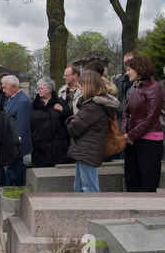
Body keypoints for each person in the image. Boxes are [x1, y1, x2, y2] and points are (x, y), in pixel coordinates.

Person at [66, 71, 120, 192]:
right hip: (86, 149)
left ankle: (93, 210)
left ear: (89, 87)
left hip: (87, 150)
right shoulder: (92, 105)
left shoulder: (93, 107)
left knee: (89, 188)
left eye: (82, 85)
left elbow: (73, 127)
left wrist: (71, 121)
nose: (79, 88)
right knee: (80, 187)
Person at [121, 55, 164, 192]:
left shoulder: (154, 88)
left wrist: (132, 135)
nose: (126, 73)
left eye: (129, 70)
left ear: (139, 69)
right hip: (131, 141)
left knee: (148, 183)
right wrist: (124, 132)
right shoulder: (133, 88)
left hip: (149, 142)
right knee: (131, 181)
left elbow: (151, 118)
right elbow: (125, 113)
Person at [31, 77, 72, 166]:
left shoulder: (61, 102)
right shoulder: (33, 106)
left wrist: (63, 110)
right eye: (38, 89)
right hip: (39, 149)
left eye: (42, 88)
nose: (39, 91)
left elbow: (70, 119)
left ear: (49, 89)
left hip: (57, 148)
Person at [1, 75, 33, 186]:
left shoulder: (23, 101)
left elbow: (22, 127)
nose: (3, 90)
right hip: (9, 146)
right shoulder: (11, 99)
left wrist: (17, 147)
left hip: (15, 148)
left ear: (14, 86)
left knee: (15, 178)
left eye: (5, 87)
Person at [114, 52, 135, 123]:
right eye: (124, 63)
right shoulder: (120, 80)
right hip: (120, 118)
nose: (126, 65)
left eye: (128, 61)